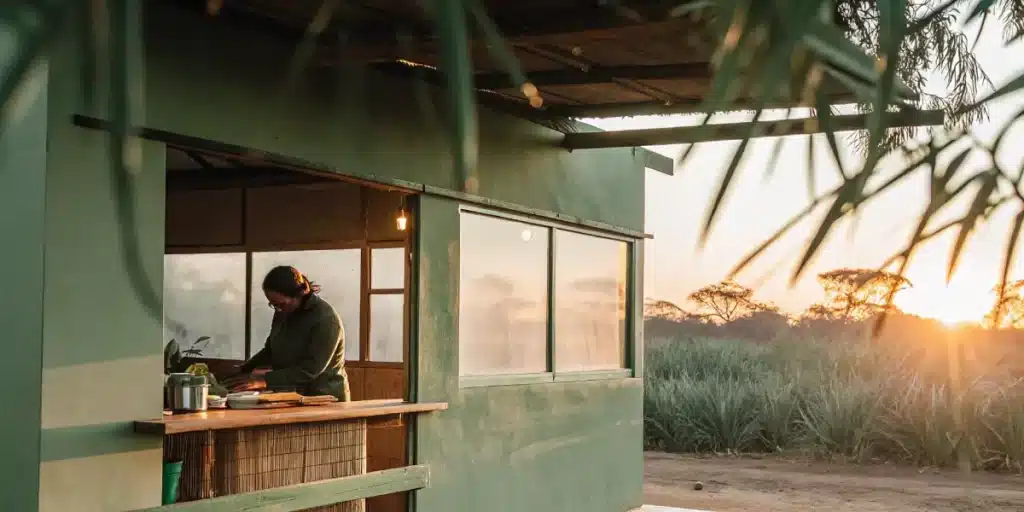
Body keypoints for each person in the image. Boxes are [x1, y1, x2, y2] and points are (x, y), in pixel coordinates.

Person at [228, 266, 351, 401]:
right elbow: (271, 350)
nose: (278, 309)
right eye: (273, 305)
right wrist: (244, 368)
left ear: (300, 294)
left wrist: (263, 381)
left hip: (324, 397)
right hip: (292, 394)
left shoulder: (326, 319)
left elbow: (309, 370)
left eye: (281, 304)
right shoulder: (284, 312)